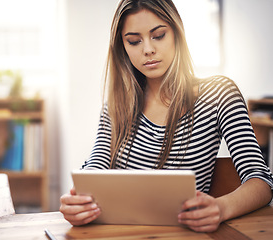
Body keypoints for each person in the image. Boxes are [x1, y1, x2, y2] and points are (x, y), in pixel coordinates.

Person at [60, 0, 273, 233]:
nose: (148, 49)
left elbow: (261, 180)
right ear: (123, 47)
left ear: (176, 35)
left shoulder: (219, 94)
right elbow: (97, 165)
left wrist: (221, 208)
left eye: (158, 35)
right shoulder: (116, 105)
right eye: (134, 41)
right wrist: (78, 201)